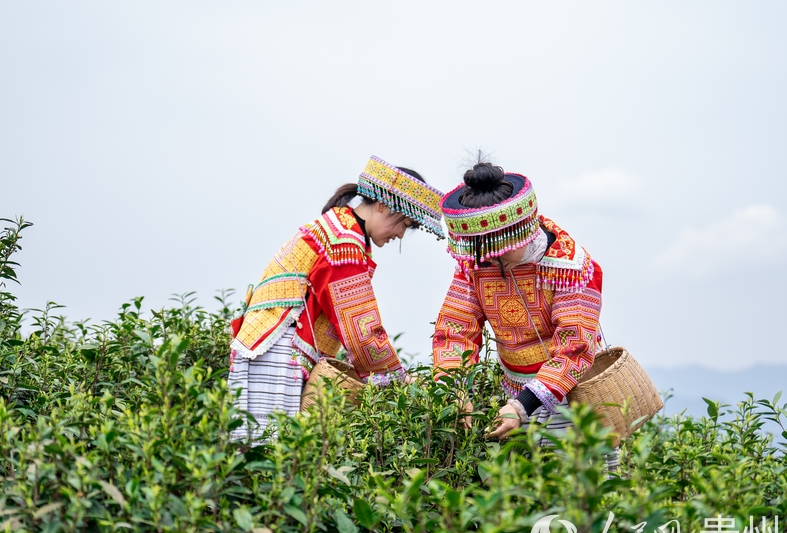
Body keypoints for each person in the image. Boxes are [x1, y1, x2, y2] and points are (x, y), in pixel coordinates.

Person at [229, 156, 444, 440]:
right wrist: (399, 377)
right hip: (278, 352)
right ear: (382, 205)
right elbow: (358, 324)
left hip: (269, 346)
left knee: (258, 445)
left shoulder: (340, 228)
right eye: (404, 223)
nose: (401, 234)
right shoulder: (345, 239)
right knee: (272, 447)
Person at [432, 159, 619, 468]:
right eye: (482, 249)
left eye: (498, 248)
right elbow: (454, 331)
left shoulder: (570, 266)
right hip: (512, 397)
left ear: (521, 233)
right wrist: (456, 389)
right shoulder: (475, 264)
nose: (490, 259)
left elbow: (574, 349)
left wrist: (522, 407)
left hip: (573, 396)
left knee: (582, 485)